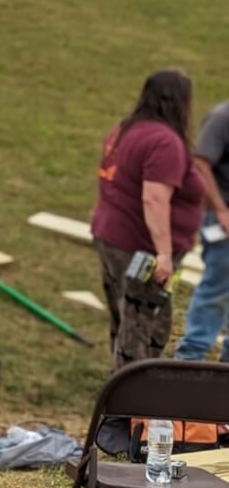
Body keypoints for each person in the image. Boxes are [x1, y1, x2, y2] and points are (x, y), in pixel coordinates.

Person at [90, 69, 204, 370]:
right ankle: (135, 399)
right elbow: (154, 198)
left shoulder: (126, 130)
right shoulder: (164, 141)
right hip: (141, 249)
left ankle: (122, 385)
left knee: (125, 317)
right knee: (147, 323)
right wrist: (164, 254)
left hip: (112, 238)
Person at [175, 99, 229, 362]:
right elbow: (200, 162)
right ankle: (190, 359)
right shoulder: (222, 117)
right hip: (224, 222)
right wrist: (221, 209)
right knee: (216, 290)